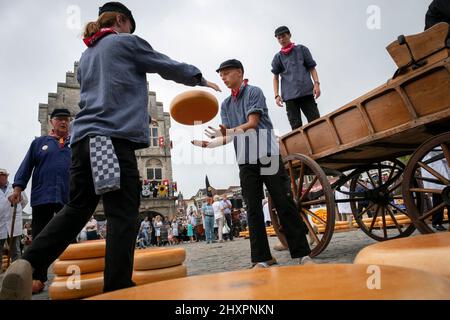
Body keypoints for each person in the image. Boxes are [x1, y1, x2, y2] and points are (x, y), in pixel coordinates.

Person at [1, 2, 220, 300]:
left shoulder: (87, 55)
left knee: (77, 209)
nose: (131, 32)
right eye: (130, 26)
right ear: (121, 20)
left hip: (82, 142)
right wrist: (197, 78)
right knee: (123, 213)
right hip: (110, 141)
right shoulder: (124, 42)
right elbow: (162, 64)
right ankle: (117, 287)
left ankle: (27, 262)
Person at [193, 59, 312, 268]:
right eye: (221, 74)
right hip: (245, 161)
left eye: (226, 73)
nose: (223, 77)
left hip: (267, 155)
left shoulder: (254, 92)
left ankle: (303, 254)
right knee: (253, 209)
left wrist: (228, 132)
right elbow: (228, 136)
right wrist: (209, 145)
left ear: (239, 72)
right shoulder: (226, 104)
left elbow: (252, 124)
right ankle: (262, 258)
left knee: (283, 203)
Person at [8, 108, 72, 294]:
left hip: (66, 197)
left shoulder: (73, 144)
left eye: (67, 120)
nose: (63, 122)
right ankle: (38, 277)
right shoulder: (39, 143)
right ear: (52, 122)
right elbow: (26, 166)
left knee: (68, 236)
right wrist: (18, 188)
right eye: (59, 119)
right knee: (39, 236)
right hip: (42, 195)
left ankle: (71, 273)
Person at [272, 26, 321, 130]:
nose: (282, 40)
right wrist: (276, 95)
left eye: (284, 36)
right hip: (289, 97)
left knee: (316, 122)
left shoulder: (302, 49)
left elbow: (312, 68)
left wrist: (316, 84)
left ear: (289, 35)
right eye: (279, 38)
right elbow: (275, 77)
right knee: (296, 127)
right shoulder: (278, 57)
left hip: (306, 92)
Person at [0, 169, 28, 263]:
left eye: (2, 175)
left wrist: (17, 210)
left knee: (15, 251)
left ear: (6, 176)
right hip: (0, 224)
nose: (0, 177)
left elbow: (24, 201)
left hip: (13, 222)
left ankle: (16, 273)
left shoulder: (15, 188)